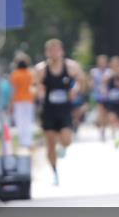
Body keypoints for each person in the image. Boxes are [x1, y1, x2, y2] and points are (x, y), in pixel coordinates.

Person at [34, 39, 83, 186]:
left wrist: (75, 90)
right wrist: (40, 93)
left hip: (64, 109)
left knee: (67, 139)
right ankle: (55, 172)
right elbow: (37, 87)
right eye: (51, 51)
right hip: (48, 110)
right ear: (47, 53)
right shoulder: (41, 69)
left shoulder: (71, 67)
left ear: (62, 51)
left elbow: (81, 80)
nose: (54, 54)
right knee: (50, 143)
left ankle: (62, 146)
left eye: (57, 50)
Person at [9, 54, 36, 151]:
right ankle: (28, 140)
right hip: (29, 99)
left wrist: (11, 103)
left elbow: (13, 90)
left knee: (20, 121)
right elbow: (33, 86)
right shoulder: (30, 73)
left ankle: (22, 140)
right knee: (28, 120)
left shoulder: (15, 74)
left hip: (18, 100)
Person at [102, 56, 119, 148]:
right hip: (111, 100)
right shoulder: (108, 74)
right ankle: (114, 136)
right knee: (112, 118)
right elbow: (104, 85)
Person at [89, 54, 110, 141]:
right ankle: (102, 131)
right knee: (101, 113)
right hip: (98, 96)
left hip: (108, 97)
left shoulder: (109, 71)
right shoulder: (94, 72)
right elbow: (91, 83)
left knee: (106, 115)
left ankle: (103, 128)